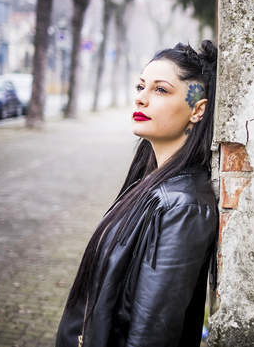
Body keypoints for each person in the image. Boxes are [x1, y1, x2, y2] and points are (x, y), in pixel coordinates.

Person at [55, 40, 219, 347]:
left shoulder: (182, 206)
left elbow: (152, 332)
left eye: (160, 90)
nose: (141, 99)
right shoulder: (152, 182)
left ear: (197, 109)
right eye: (140, 86)